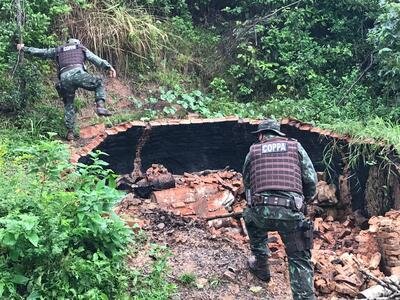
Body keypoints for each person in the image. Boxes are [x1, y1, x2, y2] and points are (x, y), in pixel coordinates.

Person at [242, 118, 317, 300]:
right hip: (290, 213)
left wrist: (255, 205)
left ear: (260, 135)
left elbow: (247, 184)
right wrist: (303, 201)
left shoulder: (253, 151)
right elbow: (311, 180)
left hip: (261, 213)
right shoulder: (295, 147)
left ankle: (261, 265)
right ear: (278, 133)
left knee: (250, 218)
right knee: (299, 259)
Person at [17, 38, 117, 141]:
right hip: (77, 74)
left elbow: (42, 52)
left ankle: (70, 133)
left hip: (64, 79)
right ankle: (100, 106)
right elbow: (95, 59)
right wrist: (108, 67)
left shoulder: (58, 50)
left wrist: (24, 48)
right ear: (77, 43)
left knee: (69, 104)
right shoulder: (81, 48)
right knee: (98, 83)